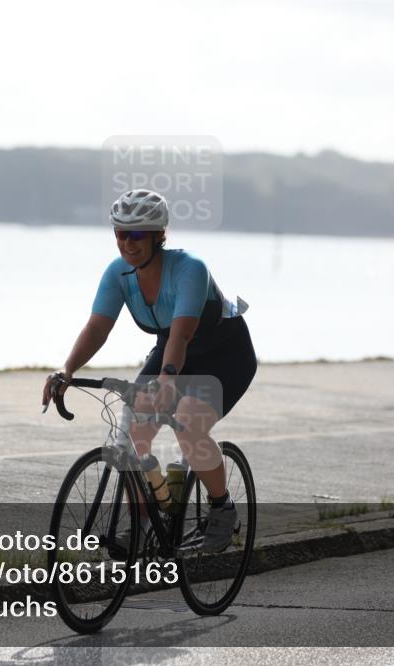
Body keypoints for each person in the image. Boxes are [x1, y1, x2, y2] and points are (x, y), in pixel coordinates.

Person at [42, 189, 257, 553]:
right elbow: (97, 328)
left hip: (224, 355)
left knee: (188, 422)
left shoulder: (190, 268)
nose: (128, 242)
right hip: (171, 349)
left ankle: (223, 509)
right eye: (120, 234)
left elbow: (182, 333)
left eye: (137, 233)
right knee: (134, 425)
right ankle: (142, 522)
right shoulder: (119, 273)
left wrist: (167, 383)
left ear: (159, 234)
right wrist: (67, 370)